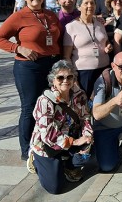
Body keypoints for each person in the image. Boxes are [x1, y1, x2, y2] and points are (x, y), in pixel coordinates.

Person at [0, 0, 61, 160]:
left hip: (52, 66)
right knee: (29, 107)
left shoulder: (50, 15)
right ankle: (26, 149)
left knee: (51, 105)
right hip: (29, 67)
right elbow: (0, 37)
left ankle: (46, 140)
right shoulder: (19, 16)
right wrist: (18, 48)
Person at [28, 61, 93, 194]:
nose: (65, 81)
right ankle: (34, 160)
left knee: (92, 149)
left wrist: (87, 136)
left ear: (74, 79)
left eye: (69, 77)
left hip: (70, 137)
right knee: (55, 188)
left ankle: (68, 165)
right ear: (53, 80)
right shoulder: (45, 101)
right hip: (47, 146)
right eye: (60, 78)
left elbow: (85, 117)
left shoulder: (79, 94)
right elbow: (49, 136)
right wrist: (75, 142)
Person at [63, 0, 112, 98]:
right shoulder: (71, 27)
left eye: (92, 3)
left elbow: (105, 40)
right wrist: (73, 78)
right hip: (84, 73)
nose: (90, 6)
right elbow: (66, 56)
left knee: (103, 100)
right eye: (86, 3)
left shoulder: (100, 24)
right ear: (79, 7)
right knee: (85, 102)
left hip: (104, 70)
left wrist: (108, 45)